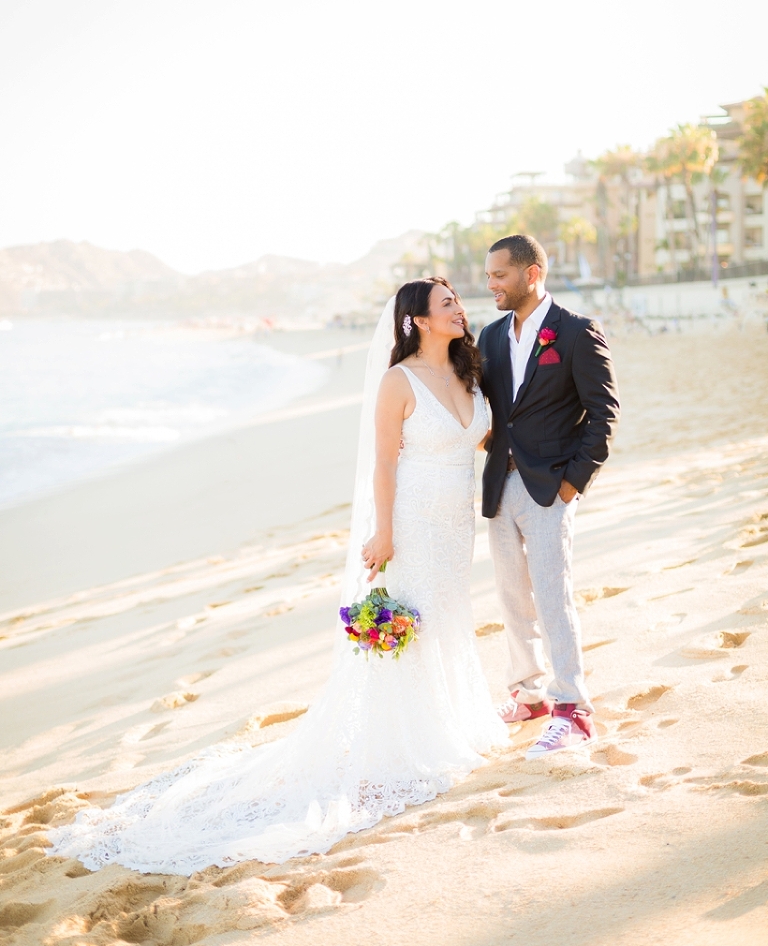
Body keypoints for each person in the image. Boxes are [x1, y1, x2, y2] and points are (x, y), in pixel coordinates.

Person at [47, 278, 506, 873]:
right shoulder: (399, 381)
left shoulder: (469, 373)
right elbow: (384, 465)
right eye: (446, 304)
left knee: (447, 617)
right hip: (413, 521)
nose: (458, 309)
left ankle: (452, 718)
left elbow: (483, 438)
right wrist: (383, 531)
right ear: (416, 320)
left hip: (455, 524)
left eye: (456, 302)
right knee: (413, 625)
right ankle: (407, 743)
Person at [478, 235, 620, 759]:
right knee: (512, 596)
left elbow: (604, 414)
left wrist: (571, 483)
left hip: (549, 488)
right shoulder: (491, 337)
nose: (490, 284)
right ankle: (530, 695)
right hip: (500, 485)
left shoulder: (578, 332)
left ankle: (573, 709)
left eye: (499, 275)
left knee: (553, 598)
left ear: (531, 273)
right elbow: (483, 406)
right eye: (489, 275)